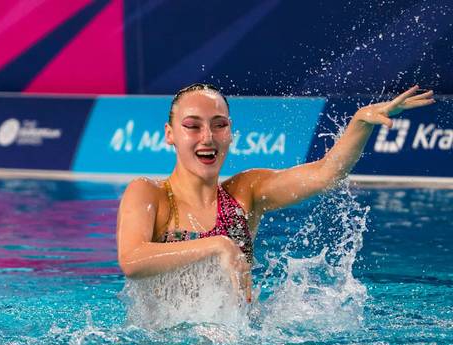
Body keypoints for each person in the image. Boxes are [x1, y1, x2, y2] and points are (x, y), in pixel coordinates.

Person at [116, 84, 434, 302]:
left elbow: (326, 174)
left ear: (230, 133)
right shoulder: (148, 194)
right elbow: (131, 259)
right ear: (170, 134)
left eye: (219, 125)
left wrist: (360, 123)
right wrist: (216, 245)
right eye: (192, 126)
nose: (208, 137)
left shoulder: (245, 193)